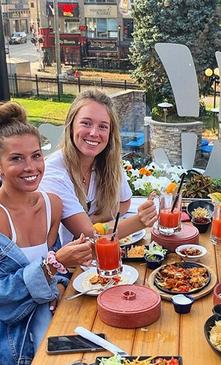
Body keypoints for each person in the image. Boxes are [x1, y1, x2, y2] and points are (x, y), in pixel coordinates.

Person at [0, 101, 93, 365]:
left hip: (56, 321)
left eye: (36, 155)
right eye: (17, 158)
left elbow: (56, 269)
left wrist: (60, 281)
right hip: (13, 341)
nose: (31, 167)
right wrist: (55, 266)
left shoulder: (53, 204)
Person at [40, 89, 157, 246]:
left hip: (97, 255)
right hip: (65, 266)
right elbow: (88, 235)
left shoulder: (108, 161)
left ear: (110, 133)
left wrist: (94, 220)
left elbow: (124, 203)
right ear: (71, 125)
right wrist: (139, 221)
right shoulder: (54, 173)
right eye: (86, 123)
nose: (94, 133)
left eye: (103, 126)